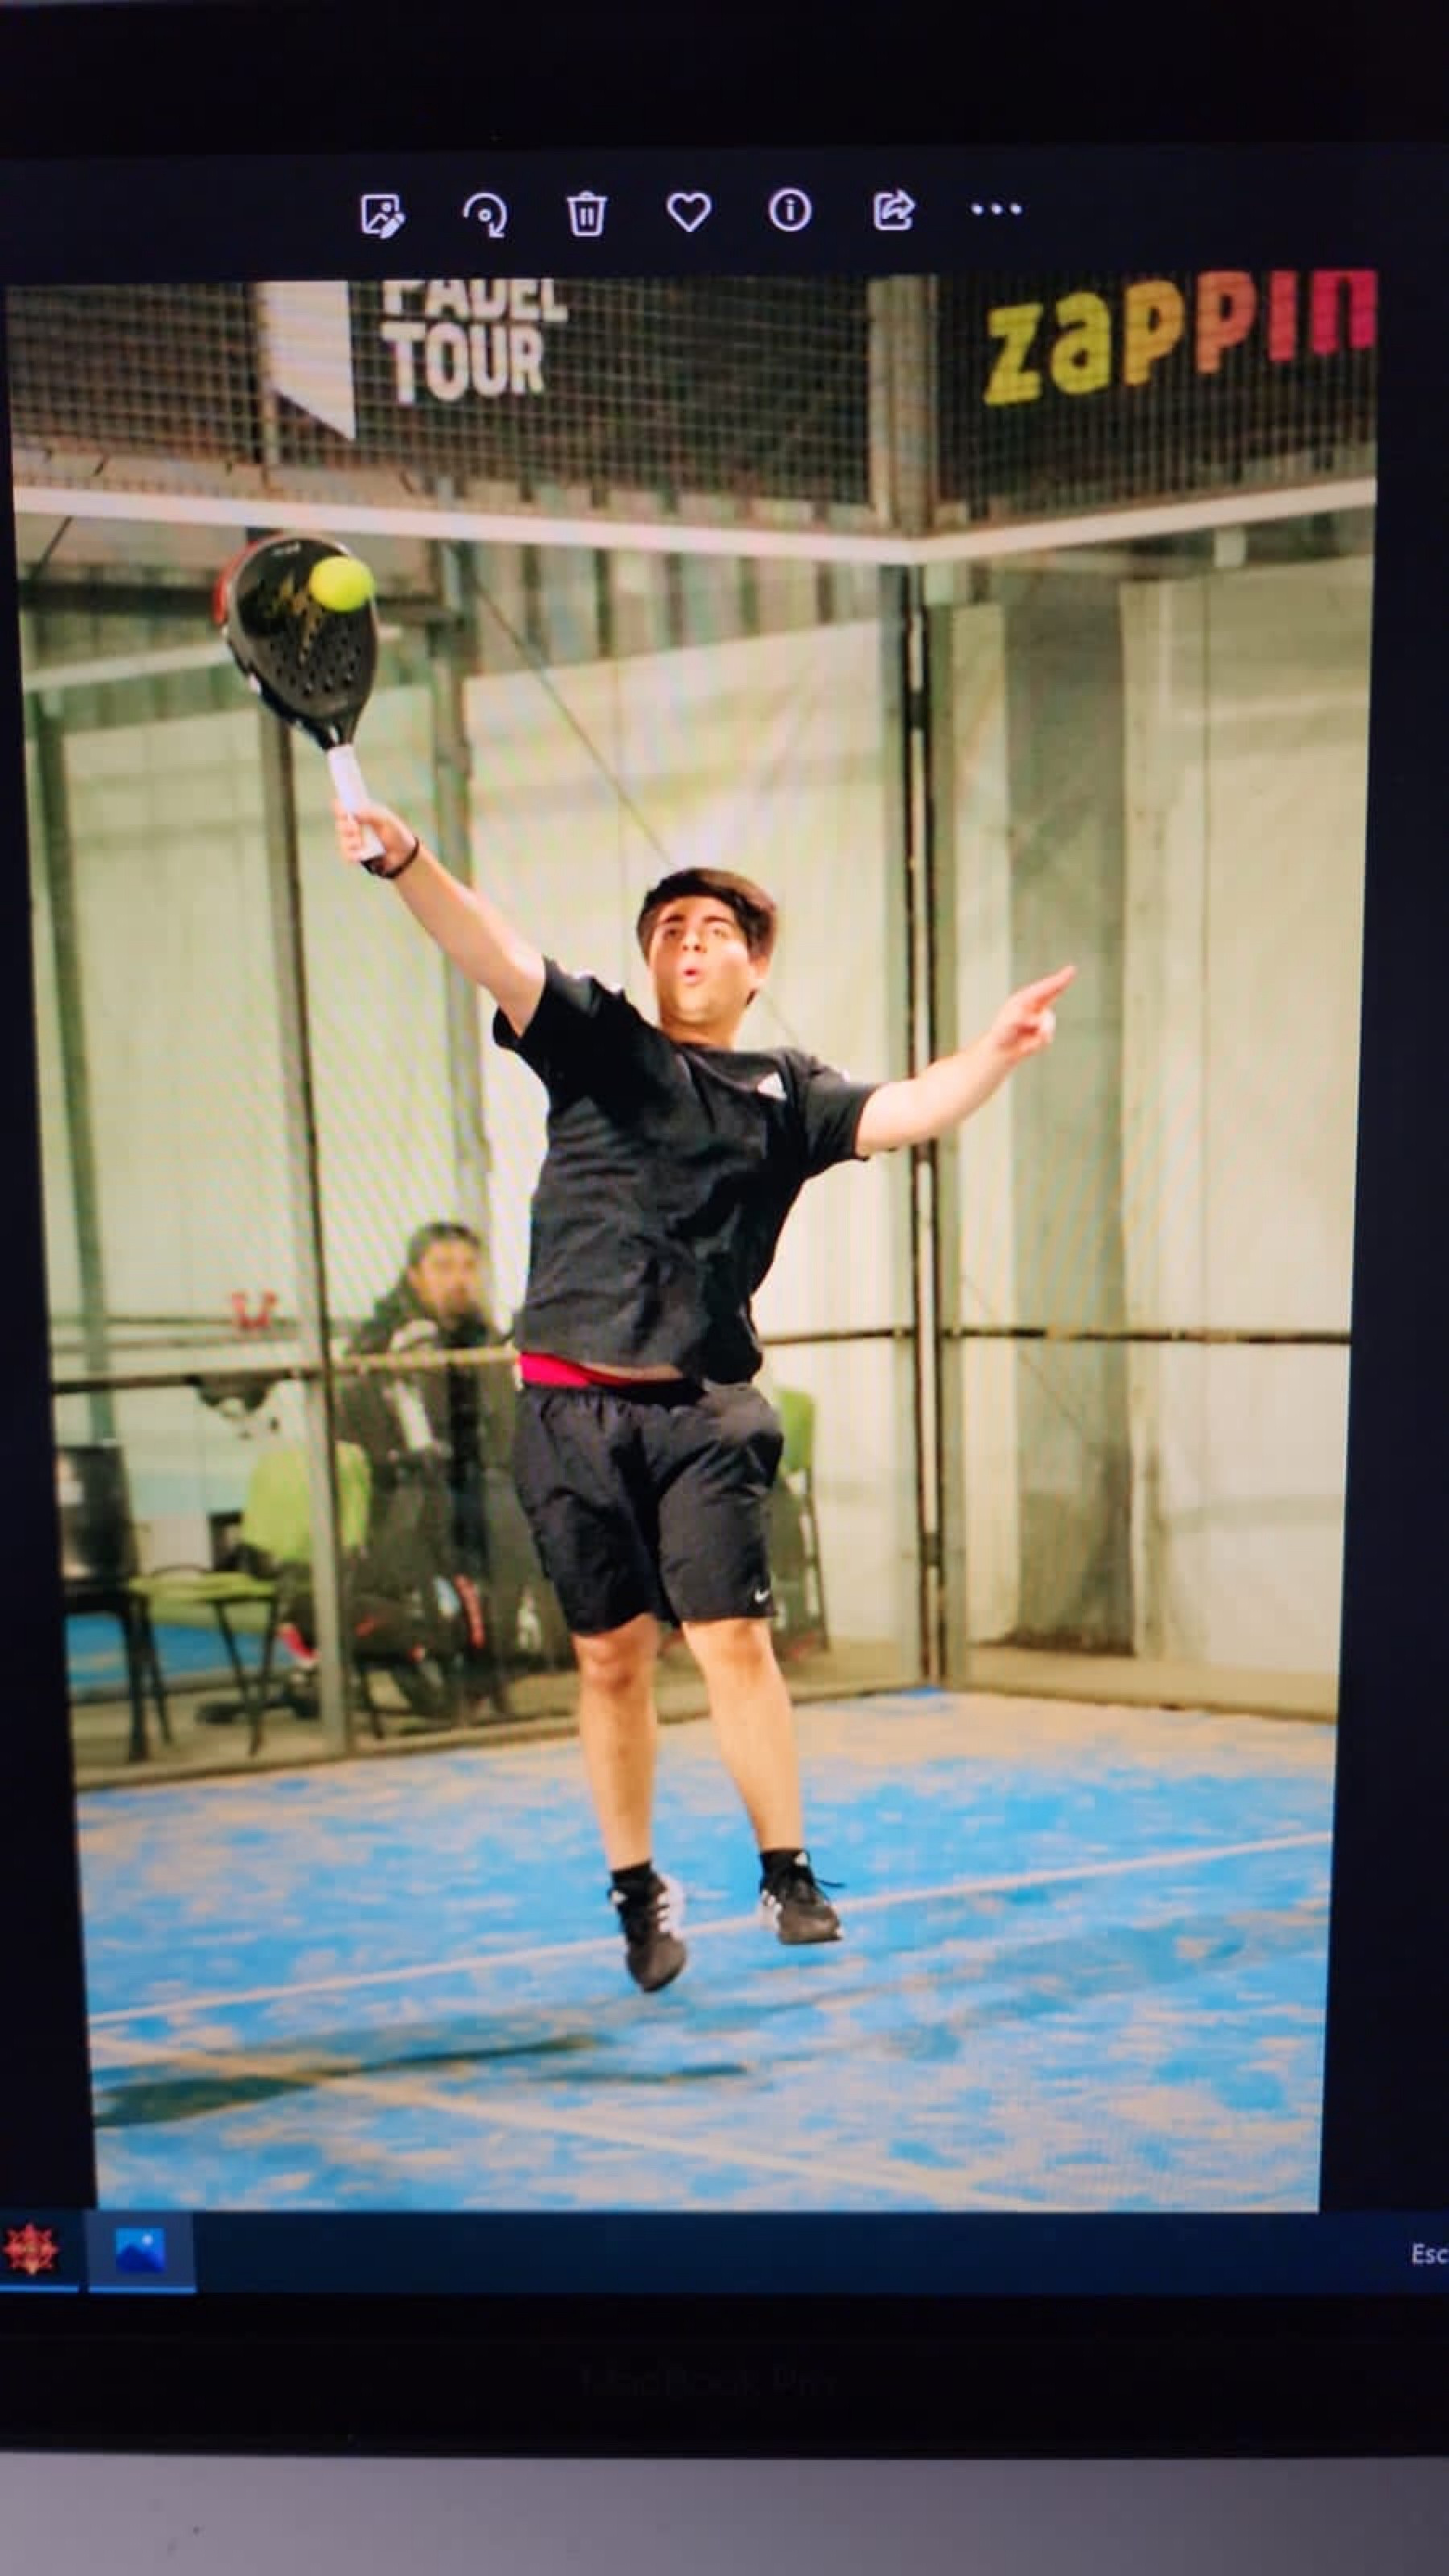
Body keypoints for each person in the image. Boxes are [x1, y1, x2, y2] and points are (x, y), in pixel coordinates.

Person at [333, 795, 1073, 1991]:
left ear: (754, 964)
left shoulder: (790, 1090)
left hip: (704, 1413)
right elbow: (489, 945)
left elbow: (909, 1107)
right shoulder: (595, 1042)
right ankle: (638, 1890)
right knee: (611, 1659)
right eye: (669, 928)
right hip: (567, 1410)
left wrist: (993, 1051)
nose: (689, 941)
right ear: (649, 959)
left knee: (732, 1638)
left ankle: (787, 1871)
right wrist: (406, 857)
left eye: (715, 929)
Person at [337, 1221, 566, 1718]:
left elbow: (504, 1422)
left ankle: (502, 1658)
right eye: (443, 1268)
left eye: (467, 1268)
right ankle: (481, 1666)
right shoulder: (386, 1339)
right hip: (402, 1491)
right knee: (507, 1520)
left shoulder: (482, 1338)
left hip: (474, 1483)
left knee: (534, 1509)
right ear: (415, 1276)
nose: (459, 1280)